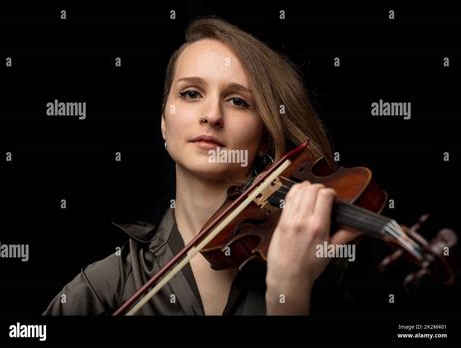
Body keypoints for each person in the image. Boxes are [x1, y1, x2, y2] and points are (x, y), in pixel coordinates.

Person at [43, 16, 358, 316]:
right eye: (191, 93)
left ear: (263, 136)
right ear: (165, 123)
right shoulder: (103, 288)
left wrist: (288, 292)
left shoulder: (318, 266)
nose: (212, 115)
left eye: (238, 101)